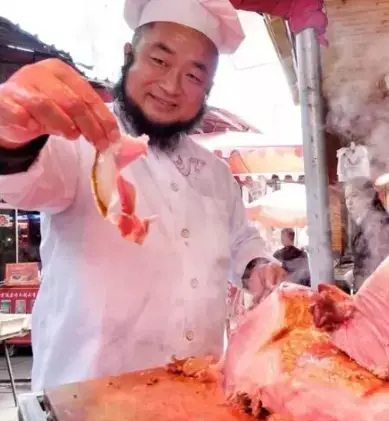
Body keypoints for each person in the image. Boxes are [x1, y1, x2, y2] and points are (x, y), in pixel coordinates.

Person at [0, 0, 286, 391]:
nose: (171, 86)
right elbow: (21, 178)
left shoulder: (218, 174)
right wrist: (12, 134)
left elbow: (240, 239)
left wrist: (257, 265)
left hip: (196, 399)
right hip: (86, 402)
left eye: (193, 76)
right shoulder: (77, 139)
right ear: (129, 56)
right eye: (160, 61)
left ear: (207, 89)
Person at [344, 177, 389, 291]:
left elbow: (380, 263)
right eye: (346, 198)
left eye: (354, 196)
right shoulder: (364, 222)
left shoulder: (376, 223)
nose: (349, 202)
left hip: (374, 292)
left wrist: (360, 278)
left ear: (368, 197)